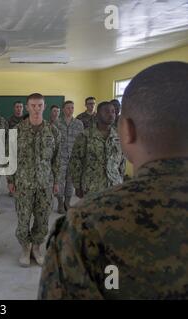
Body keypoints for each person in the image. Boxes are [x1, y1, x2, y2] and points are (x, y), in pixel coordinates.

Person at [39, 61, 188, 299]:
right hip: (94, 184)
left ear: (126, 131)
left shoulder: (87, 224)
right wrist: (79, 181)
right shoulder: (84, 135)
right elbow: (77, 160)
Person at [7, 93, 60, 267]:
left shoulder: (53, 131)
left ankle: (36, 247)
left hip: (45, 183)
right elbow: (9, 157)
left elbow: (57, 159)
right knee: (23, 219)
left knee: (42, 219)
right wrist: (10, 180)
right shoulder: (16, 131)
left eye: (39, 105)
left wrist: (57, 181)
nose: (36, 109)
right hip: (23, 183)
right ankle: (25, 248)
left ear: (44, 107)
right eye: (33, 105)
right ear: (27, 107)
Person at [69, 101, 126, 198]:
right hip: (92, 188)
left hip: (114, 186)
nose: (111, 114)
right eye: (107, 112)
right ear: (98, 115)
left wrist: (121, 180)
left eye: (113, 111)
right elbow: (76, 161)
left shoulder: (118, 135)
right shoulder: (85, 135)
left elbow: (122, 161)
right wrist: (77, 186)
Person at [55, 101, 84, 214]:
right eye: (68, 108)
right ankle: (60, 203)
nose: (70, 110)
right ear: (63, 109)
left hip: (73, 158)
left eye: (72, 107)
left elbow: (81, 141)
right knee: (60, 181)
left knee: (70, 182)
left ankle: (68, 202)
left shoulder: (79, 124)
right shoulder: (57, 123)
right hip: (60, 158)